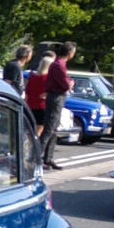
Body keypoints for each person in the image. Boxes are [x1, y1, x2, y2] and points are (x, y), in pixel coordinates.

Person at [41, 41, 76, 170]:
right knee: (49, 130)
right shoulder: (59, 65)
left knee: (54, 130)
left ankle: (48, 159)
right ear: (70, 52)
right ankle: (37, 158)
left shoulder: (59, 64)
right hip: (56, 96)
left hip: (57, 96)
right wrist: (71, 82)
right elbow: (66, 85)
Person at [25, 52, 55, 138]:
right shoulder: (48, 78)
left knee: (30, 129)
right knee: (39, 130)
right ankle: (34, 148)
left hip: (31, 106)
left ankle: (27, 145)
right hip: (42, 106)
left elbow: (27, 93)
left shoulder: (32, 77)